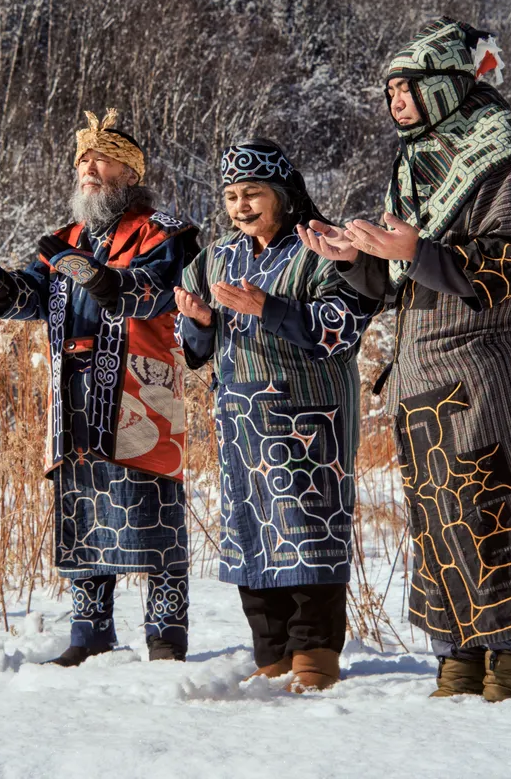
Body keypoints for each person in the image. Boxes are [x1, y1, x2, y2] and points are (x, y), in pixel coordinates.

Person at [298, 18, 511, 701]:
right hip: (422, 377)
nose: (396, 100)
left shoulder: (504, 164)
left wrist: (411, 252)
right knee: (439, 524)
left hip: (489, 373)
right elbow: (398, 284)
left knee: (496, 512)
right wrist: (356, 260)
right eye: (391, 90)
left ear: (449, 86)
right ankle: (454, 661)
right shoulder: (415, 166)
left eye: (409, 87)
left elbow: (498, 273)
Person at [0, 109, 200, 666]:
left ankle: (166, 636)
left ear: (130, 172)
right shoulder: (65, 239)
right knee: (81, 508)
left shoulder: (165, 230)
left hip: (140, 389)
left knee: (151, 510)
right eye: (83, 158)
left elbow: (160, 289)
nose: (89, 166)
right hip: (74, 390)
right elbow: (30, 297)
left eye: (103, 157)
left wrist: (106, 280)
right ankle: (89, 634)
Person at [174, 141, 377, 692]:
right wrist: (196, 323)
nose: (240, 206)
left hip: (309, 414)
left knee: (308, 529)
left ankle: (314, 651)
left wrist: (270, 308)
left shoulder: (321, 245)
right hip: (239, 419)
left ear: (282, 197)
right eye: (232, 196)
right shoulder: (216, 256)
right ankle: (271, 651)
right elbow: (192, 345)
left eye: (253, 194)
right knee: (249, 528)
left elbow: (344, 326)